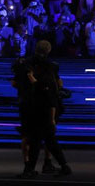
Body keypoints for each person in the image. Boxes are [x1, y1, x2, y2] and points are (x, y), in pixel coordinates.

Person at [12, 40, 71, 179]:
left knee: (36, 140)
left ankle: (31, 168)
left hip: (37, 109)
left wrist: (30, 80)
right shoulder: (51, 69)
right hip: (45, 109)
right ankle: (59, 165)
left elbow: (22, 84)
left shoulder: (30, 68)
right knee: (47, 140)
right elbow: (52, 96)